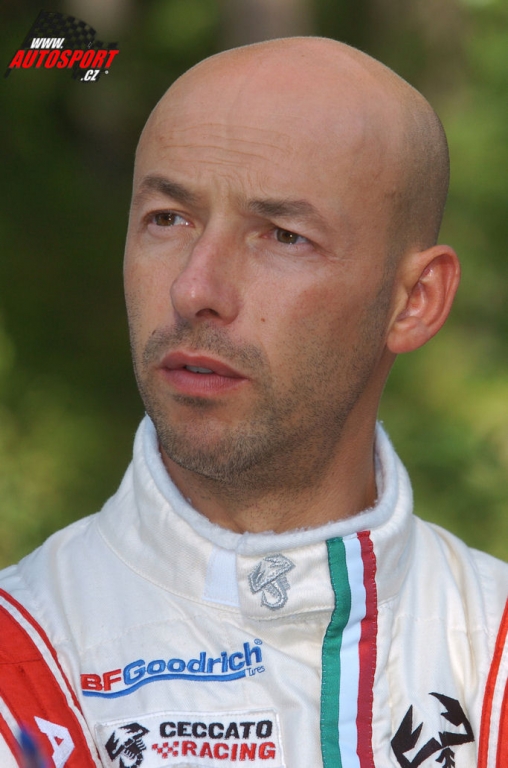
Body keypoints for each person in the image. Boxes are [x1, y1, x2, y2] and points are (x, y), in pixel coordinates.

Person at [0, 36, 507, 768]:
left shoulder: (491, 654)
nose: (194, 288)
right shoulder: (22, 669)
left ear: (414, 301)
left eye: (283, 236)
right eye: (168, 219)